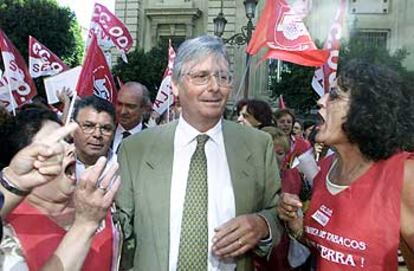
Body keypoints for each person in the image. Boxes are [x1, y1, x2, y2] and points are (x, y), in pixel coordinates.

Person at [116, 35, 283, 271]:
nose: (214, 87)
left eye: (222, 77)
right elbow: (121, 234)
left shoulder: (258, 145)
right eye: (201, 76)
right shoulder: (136, 150)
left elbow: (277, 213)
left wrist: (262, 225)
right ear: (175, 84)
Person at [278, 59, 414, 270]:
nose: (321, 101)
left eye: (334, 95)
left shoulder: (404, 175)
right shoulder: (323, 169)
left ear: (368, 110)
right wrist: (296, 225)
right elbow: (333, 250)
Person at [0, 107, 121, 270]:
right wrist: (85, 225)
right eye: (55, 145)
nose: (71, 149)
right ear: (26, 160)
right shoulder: (6, 227)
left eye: (68, 141)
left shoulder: (99, 207)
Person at [72, 96, 117, 179]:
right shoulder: (55, 164)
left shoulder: (123, 169)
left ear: (114, 133)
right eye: (89, 126)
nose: (97, 134)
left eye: (105, 128)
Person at [112, 81, 151, 152]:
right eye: (119, 104)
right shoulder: (105, 133)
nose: (123, 111)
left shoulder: (152, 139)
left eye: (130, 106)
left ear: (144, 108)